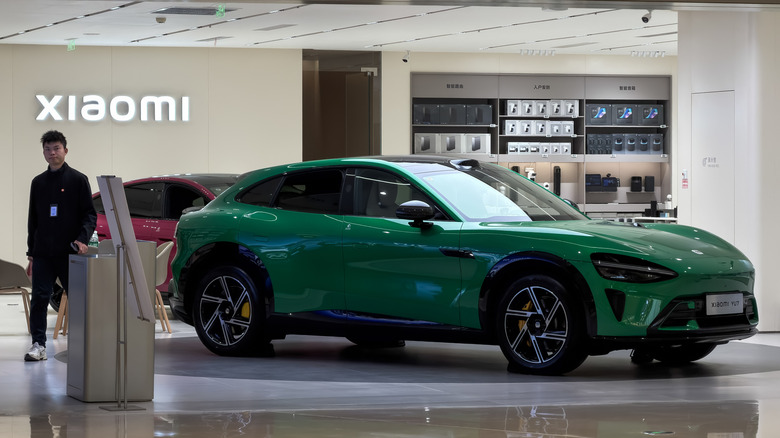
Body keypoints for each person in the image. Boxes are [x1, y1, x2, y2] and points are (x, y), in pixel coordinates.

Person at [25, 130, 96, 361]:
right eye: (47, 149)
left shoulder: (78, 180)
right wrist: (31, 255)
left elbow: (89, 214)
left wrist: (83, 239)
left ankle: (82, 344)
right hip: (43, 252)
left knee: (77, 297)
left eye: (56, 148)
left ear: (65, 150)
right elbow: (32, 220)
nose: (52, 153)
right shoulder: (38, 183)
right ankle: (38, 345)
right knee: (39, 298)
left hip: (69, 251)